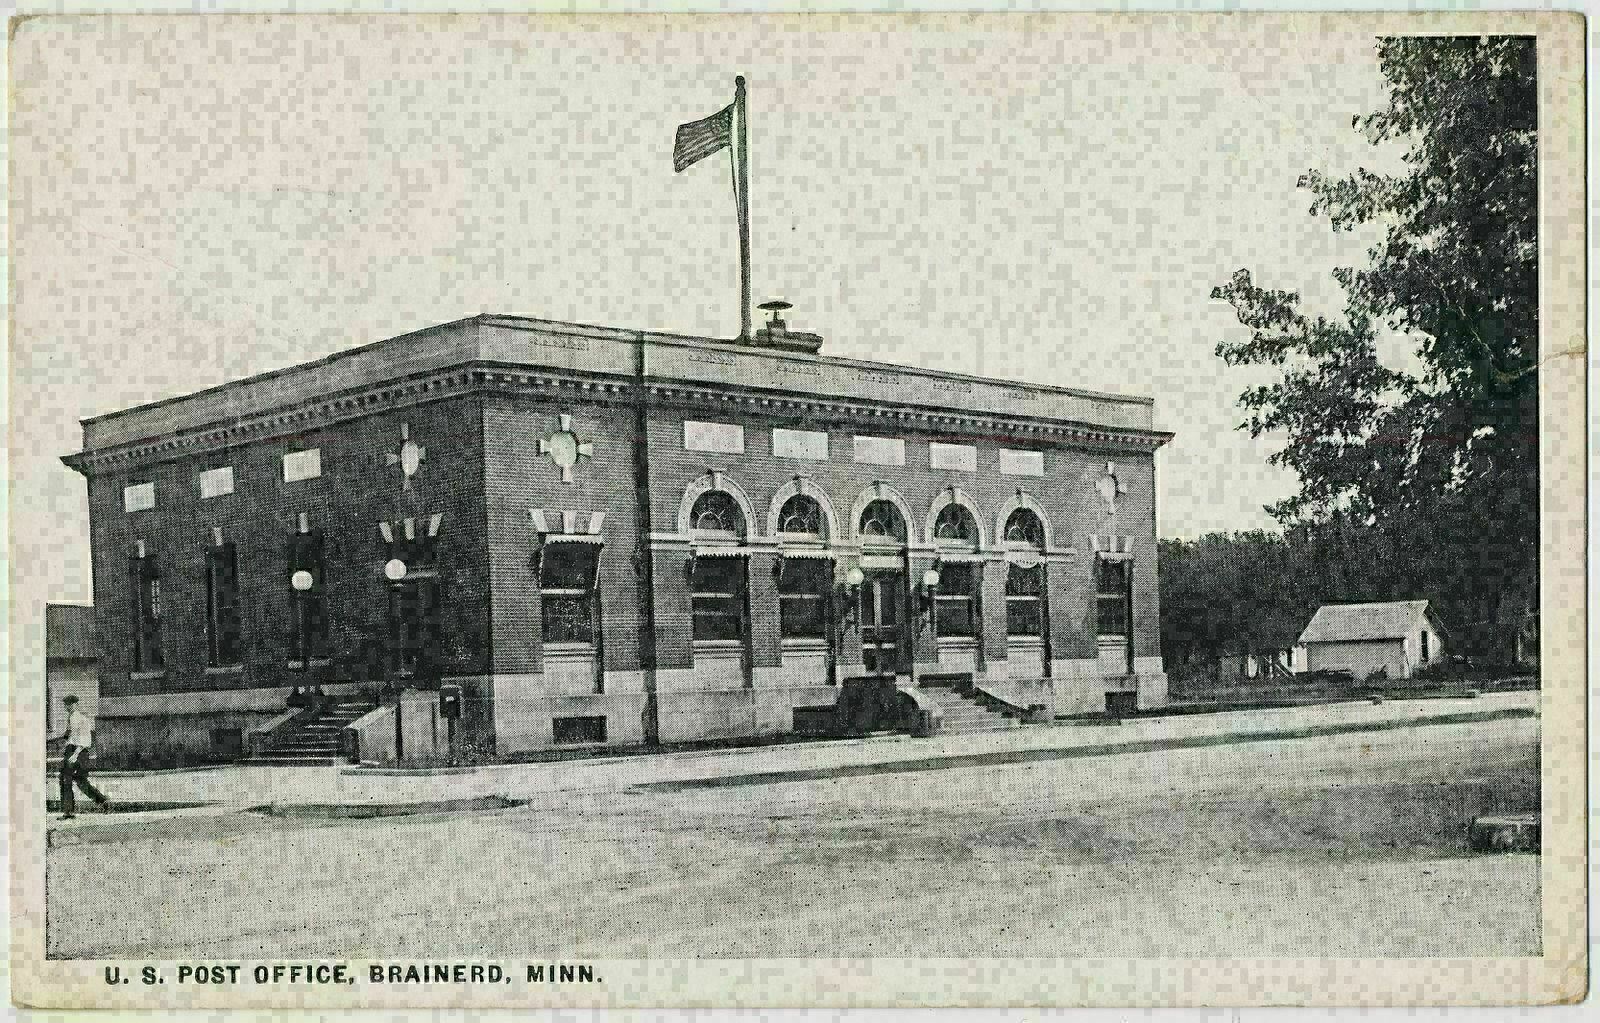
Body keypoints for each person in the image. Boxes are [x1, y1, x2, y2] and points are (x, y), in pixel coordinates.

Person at [53, 695, 110, 819]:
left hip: (78, 752)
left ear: (76, 704)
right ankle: (103, 801)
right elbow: (68, 736)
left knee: (66, 780)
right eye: (67, 704)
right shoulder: (72, 718)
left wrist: (74, 754)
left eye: (71, 704)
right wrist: (60, 744)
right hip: (76, 752)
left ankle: (69, 812)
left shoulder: (79, 719)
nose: (68, 706)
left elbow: (83, 740)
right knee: (80, 781)